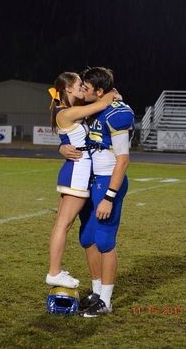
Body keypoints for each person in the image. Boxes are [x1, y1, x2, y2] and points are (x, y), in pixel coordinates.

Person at [59, 67, 134, 317]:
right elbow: (68, 129)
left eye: (88, 88)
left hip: (107, 181)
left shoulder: (116, 113)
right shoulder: (91, 109)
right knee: (87, 238)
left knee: (104, 241)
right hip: (89, 181)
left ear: (100, 92)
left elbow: (123, 160)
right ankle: (96, 291)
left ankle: (106, 301)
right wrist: (63, 148)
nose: (83, 92)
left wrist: (110, 197)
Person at [45, 71, 118, 289]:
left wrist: (61, 147)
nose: (82, 89)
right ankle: (54, 272)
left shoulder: (70, 111)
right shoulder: (67, 113)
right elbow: (98, 106)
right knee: (63, 224)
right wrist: (111, 92)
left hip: (77, 170)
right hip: (76, 172)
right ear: (67, 89)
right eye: (79, 85)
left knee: (62, 224)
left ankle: (55, 271)